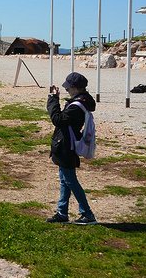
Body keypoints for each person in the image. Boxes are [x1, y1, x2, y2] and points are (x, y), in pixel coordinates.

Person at [46, 72, 97, 225]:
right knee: (64, 180)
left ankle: (87, 214)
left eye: (69, 88)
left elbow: (58, 119)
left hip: (67, 147)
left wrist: (53, 99)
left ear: (76, 88)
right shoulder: (83, 101)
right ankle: (62, 212)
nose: (67, 90)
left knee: (70, 181)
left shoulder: (77, 107)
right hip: (66, 145)